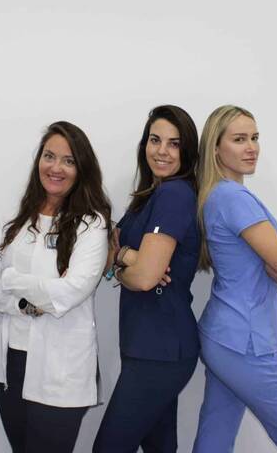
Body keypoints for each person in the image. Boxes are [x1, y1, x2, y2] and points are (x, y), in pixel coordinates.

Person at [192, 105, 277, 452]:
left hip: (224, 335)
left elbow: (270, 268)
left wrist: (276, 263)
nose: (251, 147)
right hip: (246, 343)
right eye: (239, 139)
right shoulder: (234, 198)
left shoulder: (217, 196)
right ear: (216, 148)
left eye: (254, 138)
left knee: (215, 439)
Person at [0, 121, 112, 453]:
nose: (56, 167)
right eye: (49, 156)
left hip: (61, 368)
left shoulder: (91, 224)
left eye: (68, 160)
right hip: (11, 362)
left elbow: (71, 291)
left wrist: (12, 280)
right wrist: (26, 303)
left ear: (81, 169)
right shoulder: (13, 221)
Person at [93, 105, 200, 453]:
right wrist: (128, 258)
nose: (162, 151)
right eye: (155, 140)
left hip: (161, 350)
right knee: (160, 447)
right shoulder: (149, 195)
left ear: (187, 151)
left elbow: (144, 279)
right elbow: (110, 255)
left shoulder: (175, 194)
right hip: (146, 345)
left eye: (174, 143)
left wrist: (125, 258)